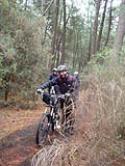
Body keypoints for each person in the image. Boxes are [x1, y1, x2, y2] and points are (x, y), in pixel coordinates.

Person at [37, 65, 76, 130]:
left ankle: (70, 127)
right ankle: (55, 119)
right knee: (55, 105)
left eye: (63, 72)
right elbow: (49, 83)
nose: (61, 73)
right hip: (60, 95)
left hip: (69, 96)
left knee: (69, 112)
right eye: (60, 72)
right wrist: (41, 88)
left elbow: (74, 88)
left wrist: (69, 93)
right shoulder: (58, 79)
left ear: (66, 71)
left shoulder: (71, 79)